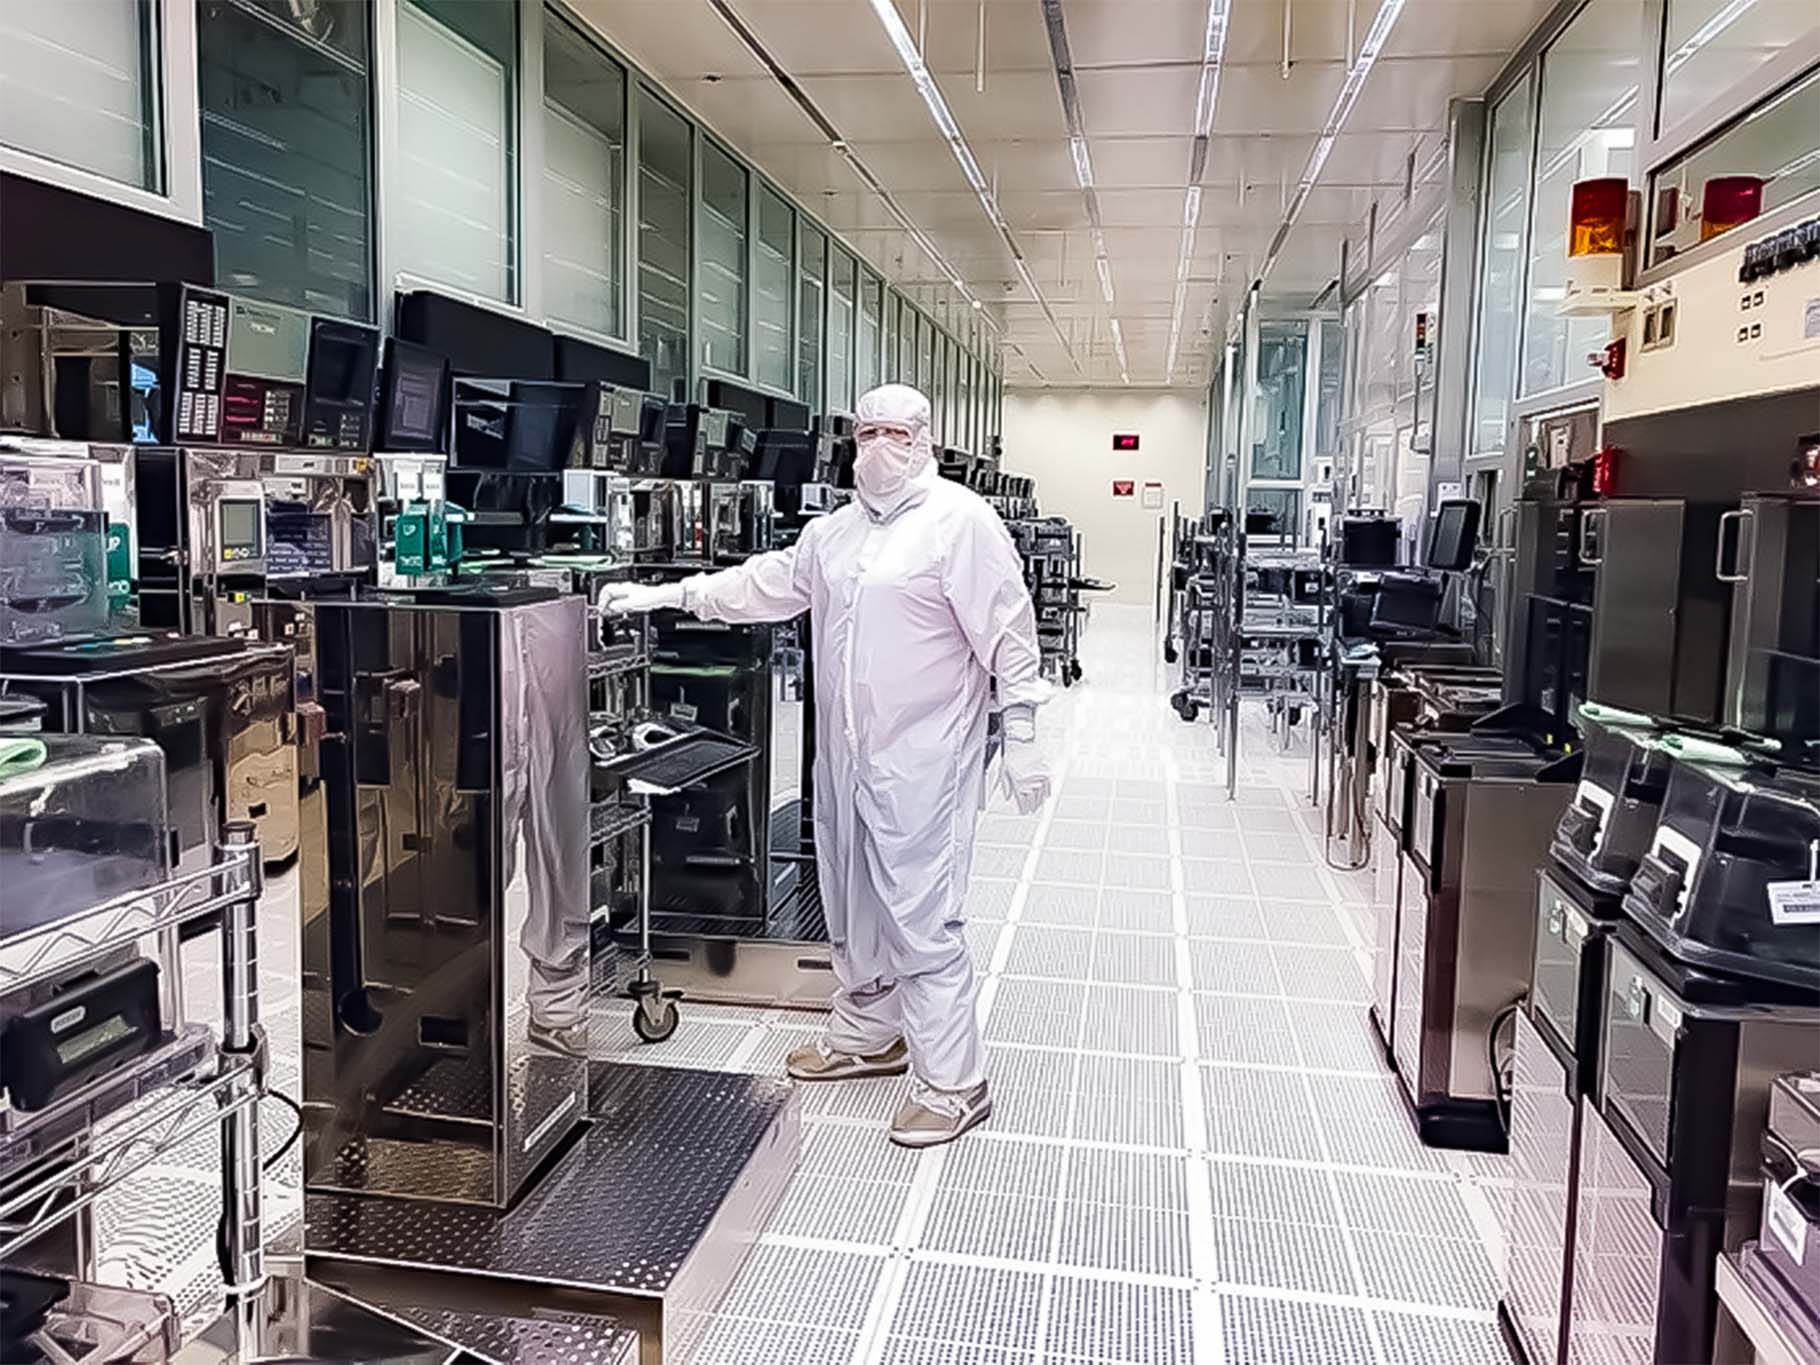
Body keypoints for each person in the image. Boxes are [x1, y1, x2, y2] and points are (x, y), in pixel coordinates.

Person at [602, 383, 1051, 1147]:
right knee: (850, 897)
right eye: (865, 431)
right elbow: (763, 585)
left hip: (925, 756)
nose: (878, 446)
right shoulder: (835, 533)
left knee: (920, 912)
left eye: (895, 432)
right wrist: (667, 594)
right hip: (844, 756)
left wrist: (1025, 728)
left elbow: (1009, 630)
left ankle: (955, 1081)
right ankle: (869, 1032)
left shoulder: (961, 523)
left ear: (924, 439)